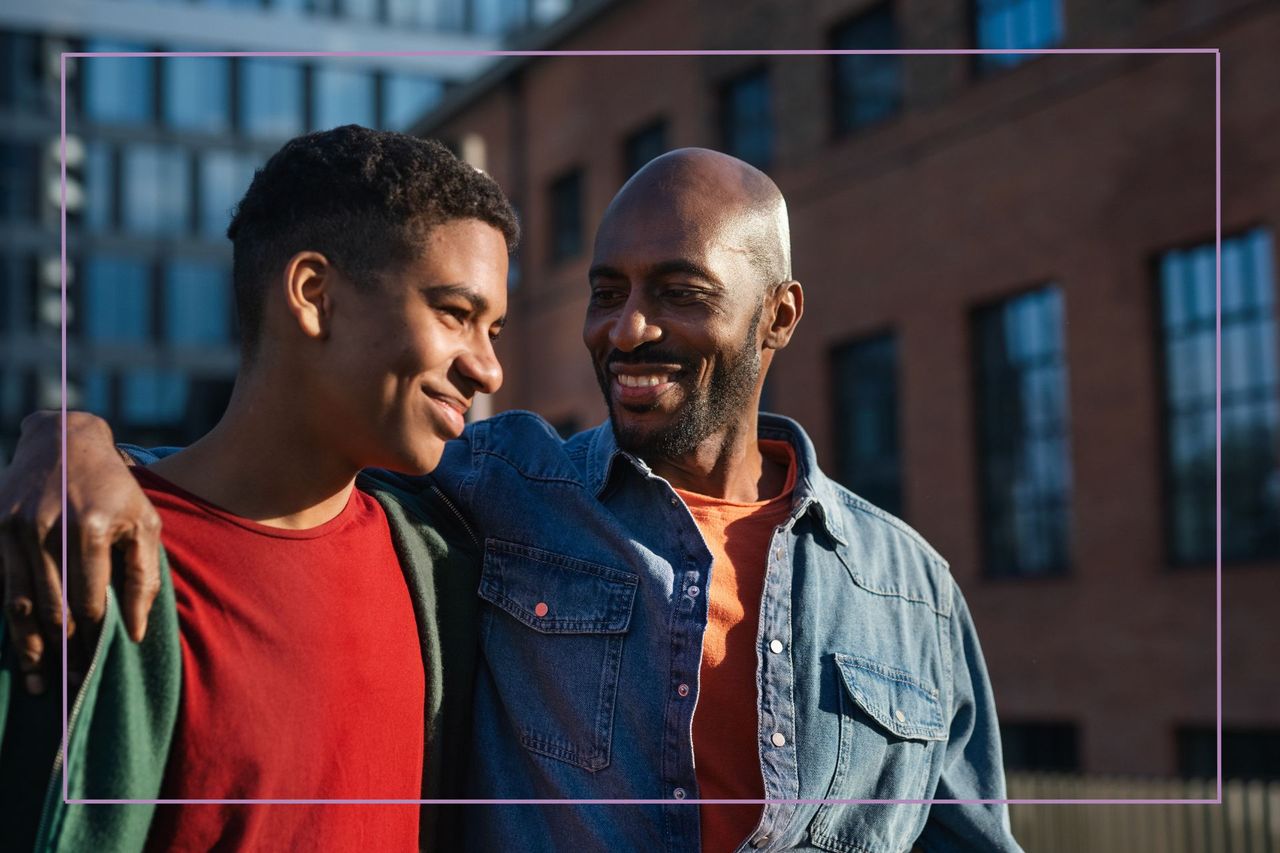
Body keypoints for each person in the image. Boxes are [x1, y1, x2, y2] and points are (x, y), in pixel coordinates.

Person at [2, 148, 1022, 852]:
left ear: (779, 316)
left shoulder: (912, 593)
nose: (624, 330)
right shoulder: (496, 494)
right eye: (604, 289)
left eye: (678, 291)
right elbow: (275, 460)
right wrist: (80, 440)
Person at [0, 124, 517, 851]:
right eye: (457, 314)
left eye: (494, 327)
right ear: (313, 294)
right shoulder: (80, 556)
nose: (488, 368)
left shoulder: (449, 564)